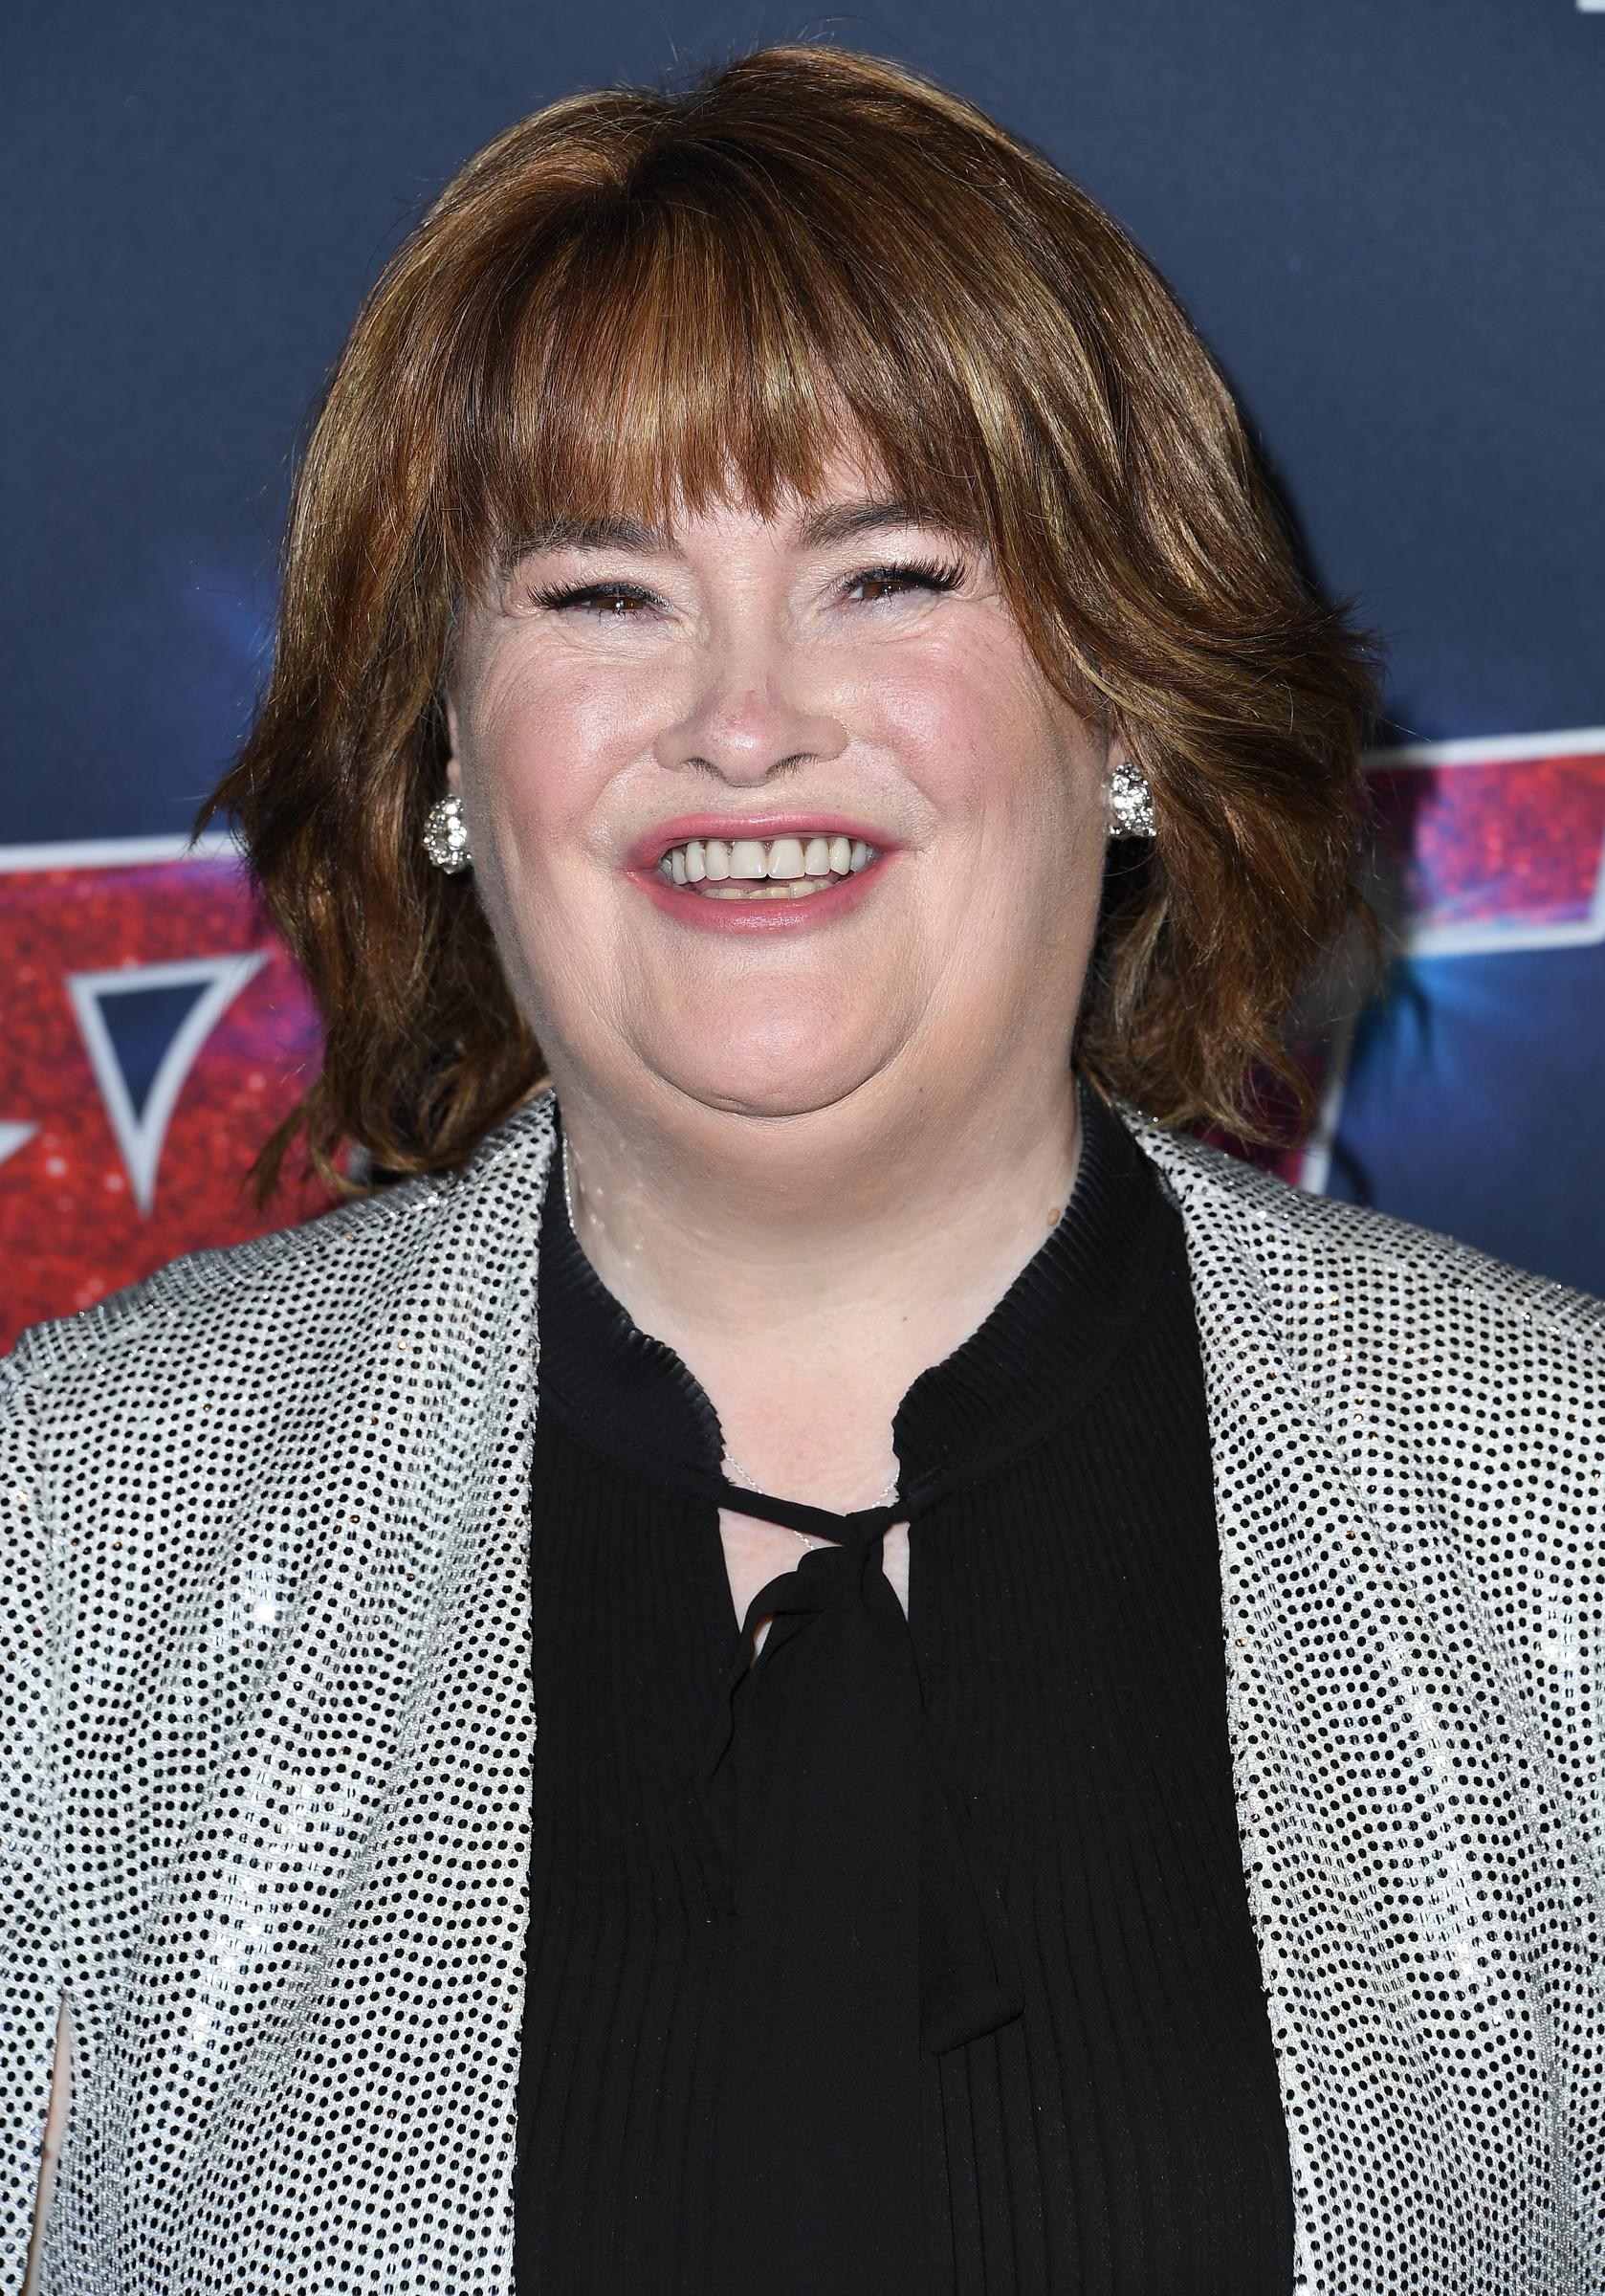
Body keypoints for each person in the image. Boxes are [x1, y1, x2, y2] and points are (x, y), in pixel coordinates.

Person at [6, 40, 1600, 2296]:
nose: (739, 720)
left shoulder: (1560, 1528)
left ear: (1126, 703)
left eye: (885, 575)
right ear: (446, 746)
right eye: (599, 596)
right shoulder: (71, 1543)